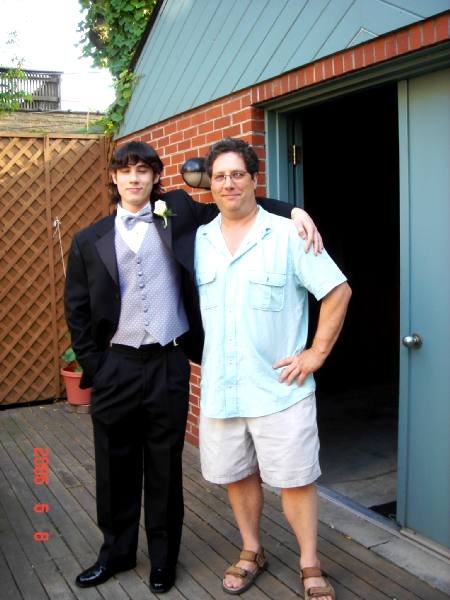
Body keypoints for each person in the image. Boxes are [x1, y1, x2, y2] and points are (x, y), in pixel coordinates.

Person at [64, 140, 323, 594]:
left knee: (165, 467)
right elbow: (77, 310)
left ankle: (163, 561)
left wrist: (294, 210)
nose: (134, 178)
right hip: (116, 366)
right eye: (125, 170)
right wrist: (97, 367)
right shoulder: (89, 240)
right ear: (114, 178)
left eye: (143, 170)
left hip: (168, 361)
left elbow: (238, 200)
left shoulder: (179, 211)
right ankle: (116, 553)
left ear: (155, 177)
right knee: (114, 465)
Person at [195, 138, 352, 599]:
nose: (228, 183)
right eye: (220, 176)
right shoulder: (199, 240)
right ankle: (251, 549)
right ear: (210, 185)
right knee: (238, 475)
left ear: (253, 179)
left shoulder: (288, 235)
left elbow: (337, 291)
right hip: (224, 389)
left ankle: (310, 562)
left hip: (281, 389)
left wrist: (316, 353)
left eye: (237, 174)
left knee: (296, 481)